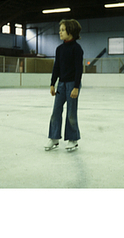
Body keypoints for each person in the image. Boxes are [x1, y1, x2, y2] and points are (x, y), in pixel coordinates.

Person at [45, 19, 84, 151]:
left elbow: (79, 69)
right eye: (60, 30)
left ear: (71, 31)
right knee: (56, 111)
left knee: (71, 113)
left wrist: (76, 87)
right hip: (61, 84)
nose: (60, 32)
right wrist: (52, 83)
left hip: (73, 84)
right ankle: (54, 138)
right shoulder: (59, 49)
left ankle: (73, 139)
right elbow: (56, 67)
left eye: (62, 30)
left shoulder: (77, 49)